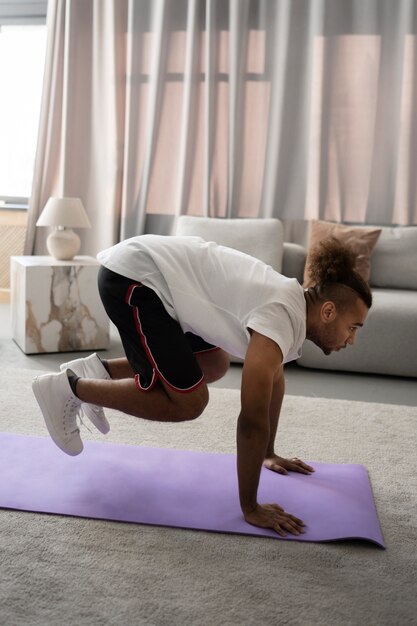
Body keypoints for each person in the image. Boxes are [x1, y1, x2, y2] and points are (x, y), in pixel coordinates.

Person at [32, 234, 371, 537]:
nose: (353, 339)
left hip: (152, 278)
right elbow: (251, 421)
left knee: (214, 363)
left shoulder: (293, 311)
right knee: (189, 401)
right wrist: (251, 507)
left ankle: (98, 371)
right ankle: (67, 388)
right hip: (134, 280)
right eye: (353, 327)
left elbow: (274, 379)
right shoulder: (280, 317)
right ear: (328, 311)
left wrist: (268, 453)